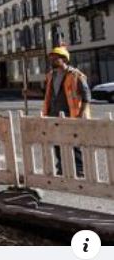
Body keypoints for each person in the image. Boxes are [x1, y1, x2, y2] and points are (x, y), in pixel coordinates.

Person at [42, 45, 91, 177]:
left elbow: (87, 97)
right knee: (57, 142)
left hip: (71, 115)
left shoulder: (76, 75)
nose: (51, 61)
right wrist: (28, 92)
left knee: (74, 143)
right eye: (50, 58)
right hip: (53, 114)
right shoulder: (51, 76)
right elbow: (47, 94)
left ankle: (79, 170)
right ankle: (62, 168)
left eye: (54, 58)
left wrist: (81, 115)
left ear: (64, 59)